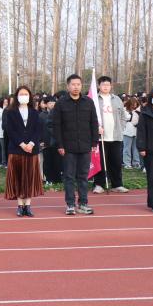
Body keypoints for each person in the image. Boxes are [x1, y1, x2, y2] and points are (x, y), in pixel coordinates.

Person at [52, 74, 99, 216]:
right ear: (68, 86)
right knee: (69, 176)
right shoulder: (61, 103)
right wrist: (60, 145)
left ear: (81, 85)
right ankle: (70, 204)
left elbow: (94, 123)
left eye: (78, 84)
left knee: (83, 176)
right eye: (73, 84)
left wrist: (94, 142)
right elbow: (56, 126)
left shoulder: (88, 102)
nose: (76, 87)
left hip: (85, 145)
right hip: (68, 147)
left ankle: (83, 203)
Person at [3, 86, 45, 216]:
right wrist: (21, 144)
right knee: (18, 178)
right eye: (21, 94)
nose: (23, 96)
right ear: (17, 96)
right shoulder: (10, 112)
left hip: (31, 150)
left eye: (26, 94)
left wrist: (31, 143)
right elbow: (10, 130)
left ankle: (28, 205)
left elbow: (38, 130)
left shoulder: (35, 112)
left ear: (30, 96)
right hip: (16, 150)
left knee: (30, 178)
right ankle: (20, 205)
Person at [92, 76, 128, 193]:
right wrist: (95, 128)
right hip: (100, 137)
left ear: (111, 86)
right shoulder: (94, 100)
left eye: (108, 85)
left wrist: (121, 127)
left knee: (116, 162)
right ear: (99, 86)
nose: (106, 87)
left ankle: (117, 184)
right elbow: (89, 117)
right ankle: (99, 184)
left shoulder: (117, 99)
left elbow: (123, 116)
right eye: (103, 85)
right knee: (101, 162)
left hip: (116, 136)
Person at [40, 97, 61, 184]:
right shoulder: (41, 115)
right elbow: (38, 129)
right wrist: (40, 141)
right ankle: (48, 179)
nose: (52, 104)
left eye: (53, 103)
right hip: (46, 142)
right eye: (50, 103)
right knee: (47, 162)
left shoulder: (58, 114)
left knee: (57, 161)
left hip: (57, 142)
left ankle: (57, 179)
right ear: (46, 105)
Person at [122, 97, 141, 169]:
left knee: (136, 148)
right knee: (127, 148)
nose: (134, 106)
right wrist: (133, 113)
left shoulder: (138, 111)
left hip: (136, 132)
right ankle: (127, 163)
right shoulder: (125, 110)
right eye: (133, 104)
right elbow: (126, 118)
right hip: (127, 132)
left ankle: (136, 162)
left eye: (136, 104)